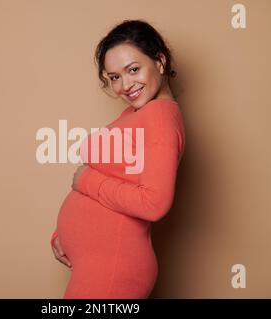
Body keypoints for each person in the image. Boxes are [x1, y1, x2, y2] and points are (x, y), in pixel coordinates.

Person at [50, 19, 186, 298]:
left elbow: (154, 203)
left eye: (133, 70)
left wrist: (86, 180)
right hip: (98, 263)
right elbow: (116, 175)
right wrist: (63, 234)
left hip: (113, 267)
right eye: (114, 77)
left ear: (159, 61)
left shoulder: (160, 117)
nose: (125, 85)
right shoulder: (138, 113)